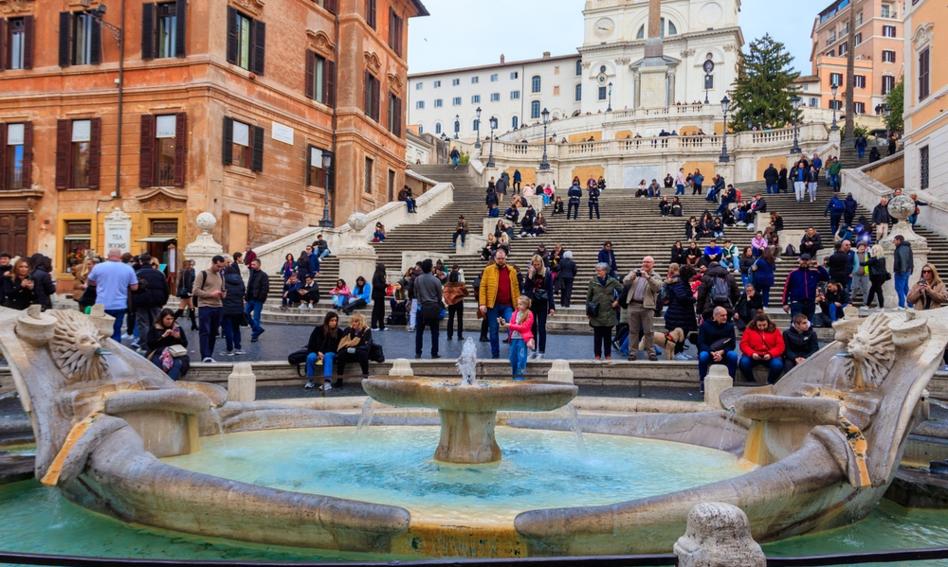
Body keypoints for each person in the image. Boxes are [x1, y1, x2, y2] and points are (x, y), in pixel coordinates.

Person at [87, 248, 139, 342]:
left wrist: (98, 283)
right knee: (116, 331)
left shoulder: (98, 267)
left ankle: (102, 351)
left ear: (108, 255)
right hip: (119, 304)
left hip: (102, 304)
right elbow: (134, 287)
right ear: (120, 256)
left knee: (101, 331)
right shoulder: (128, 268)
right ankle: (115, 352)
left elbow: (90, 281)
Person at [479, 250, 520, 359]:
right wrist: (482, 303)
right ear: (495, 258)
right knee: (493, 330)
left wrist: (519, 305)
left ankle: (513, 353)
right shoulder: (488, 270)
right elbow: (482, 287)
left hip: (508, 305)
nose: (501, 260)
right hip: (493, 306)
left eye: (502, 258)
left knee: (512, 327)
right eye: (499, 259)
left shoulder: (512, 271)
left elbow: (516, 288)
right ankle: (495, 355)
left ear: (505, 258)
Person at [623, 256, 663, 361]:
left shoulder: (656, 275)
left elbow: (657, 288)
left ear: (652, 264)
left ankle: (651, 353)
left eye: (648, 262)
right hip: (633, 305)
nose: (645, 264)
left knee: (649, 331)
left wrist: (648, 277)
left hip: (647, 307)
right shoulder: (635, 273)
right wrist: (631, 276)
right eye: (644, 261)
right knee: (633, 331)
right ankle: (632, 353)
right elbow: (625, 282)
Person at [131, 254, 171, 352]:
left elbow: (132, 289)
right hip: (157, 301)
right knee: (156, 323)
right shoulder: (159, 274)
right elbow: (166, 289)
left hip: (141, 302)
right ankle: (156, 344)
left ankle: (145, 345)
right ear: (150, 261)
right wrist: (163, 301)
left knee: (143, 324)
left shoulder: (137, 273)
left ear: (140, 262)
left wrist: (133, 304)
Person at [191, 255, 227, 363]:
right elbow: (195, 291)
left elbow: (223, 290)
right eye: (218, 266)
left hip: (218, 306)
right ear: (213, 262)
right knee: (204, 331)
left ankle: (209, 355)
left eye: (222, 267)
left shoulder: (221, 275)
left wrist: (223, 294)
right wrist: (211, 294)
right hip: (205, 306)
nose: (220, 269)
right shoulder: (203, 274)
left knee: (213, 332)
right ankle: (205, 356)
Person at [586, 262, 623, 362]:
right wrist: (588, 312)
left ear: (605, 271)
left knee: (607, 336)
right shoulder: (593, 281)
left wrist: (617, 301)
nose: (597, 272)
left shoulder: (612, 281)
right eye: (596, 270)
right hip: (596, 312)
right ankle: (597, 355)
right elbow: (588, 297)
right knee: (597, 336)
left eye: (599, 270)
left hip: (609, 312)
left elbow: (623, 291)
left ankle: (608, 355)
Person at [523, 254, 555, 359]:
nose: (536, 266)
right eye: (534, 264)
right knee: (532, 327)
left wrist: (552, 307)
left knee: (542, 327)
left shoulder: (547, 273)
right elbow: (526, 288)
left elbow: (550, 290)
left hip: (542, 302)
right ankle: (533, 350)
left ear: (541, 263)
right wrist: (530, 276)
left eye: (538, 264)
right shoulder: (530, 272)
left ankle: (541, 351)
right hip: (532, 303)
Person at [697, 306, 738, 389]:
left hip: (724, 352)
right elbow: (701, 343)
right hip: (709, 352)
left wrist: (722, 352)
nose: (725, 317)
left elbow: (732, 344)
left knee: (733, 355)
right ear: (715, 316)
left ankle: (731, 380)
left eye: (726, 315)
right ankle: (703, 381)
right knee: (703, 356)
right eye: (722, 315)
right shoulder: (705, 326)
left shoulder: (729, 326)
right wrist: (712, 352)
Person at [739, 313, 786, 385]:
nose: (762, 327)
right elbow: (743, 344)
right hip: (753, 355)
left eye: (764, 325)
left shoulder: (775, 330)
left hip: (770, 355)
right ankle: (751, 381)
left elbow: (780, 346)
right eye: (759, 325)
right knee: (744, 363)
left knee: (777, 365)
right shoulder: (749, 330)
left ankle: (769, 382)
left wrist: (771, 354)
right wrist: (752, 353)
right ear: (755, 324)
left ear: (768, 323)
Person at [146, 308, 190, 380]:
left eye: (172, 319)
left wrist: (178, 337)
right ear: (162, 319)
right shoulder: (155, 328)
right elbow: (150, 344)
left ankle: (169, 384)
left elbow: (185, 344)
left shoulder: (177, 328)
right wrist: (162, 336)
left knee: (177, 364)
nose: (170, 321)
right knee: (157, 363)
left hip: (175, 354)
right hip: (158, 353)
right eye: (167, 319)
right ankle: (163, 384)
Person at [781, 254, 829, 320]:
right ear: (799, 261)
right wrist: (785, 303)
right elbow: (786, 289)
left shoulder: (814, 273)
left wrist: (819, 267)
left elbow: (826, 278)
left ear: (810, 261)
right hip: (797, 302)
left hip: (810, 302)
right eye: (803, 260)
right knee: (796, 322)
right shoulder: (793, 273)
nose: (805, 262)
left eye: (807, 260)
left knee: (808, 323)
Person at [499, 296, 535, 381]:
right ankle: (514, 376)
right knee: (512, 358)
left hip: (522, 339)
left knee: (521, 358)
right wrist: (504, 323)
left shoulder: (529, 314)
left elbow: (524, 328)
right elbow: (511, 325)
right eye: (518, 304)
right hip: (514, 338)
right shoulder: (515, 313)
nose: (518, 306)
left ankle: (519, 377)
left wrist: (509, 325)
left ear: (526, 305)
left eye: (520, 304)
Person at [414, 259, 444, 359]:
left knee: (419, 332)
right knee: (435, 332)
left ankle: (418, 352)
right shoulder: (436, 280)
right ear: (431, 268)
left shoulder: (417, 279)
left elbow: (416, 292)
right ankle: (434, 353)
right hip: (433, 307)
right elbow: (440, 296)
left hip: (421, 307)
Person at [304, 312, 340, 391]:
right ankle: (310, 380)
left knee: (328, 355)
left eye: (335, 320)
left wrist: (323, 354)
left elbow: (338, 348)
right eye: (332, 320)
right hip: (317, 352)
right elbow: (311, 344)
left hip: (331, 353)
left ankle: (327, 383)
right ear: (327, 321)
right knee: (310, 357)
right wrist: (318, 353)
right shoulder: (318, 329)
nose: (334, 322)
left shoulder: (339, 332)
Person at [336, 313, 373, 380]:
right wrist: (349, 349)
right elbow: (342, 344)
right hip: (349, 353)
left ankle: (365, 378)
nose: (353, 323)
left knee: (363, 354)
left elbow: (366, 346)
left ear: (361, 322)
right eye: (352, 321)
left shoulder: (366, 330)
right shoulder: (348, 329)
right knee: (341, 354)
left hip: (360, 353)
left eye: (356, 321)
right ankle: (339, 380)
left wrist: (354, 349)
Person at [221, 267, 246, 356]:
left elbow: (222, 294)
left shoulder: (223, 280)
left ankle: (229, 349)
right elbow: (243, 292)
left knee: (228, 329)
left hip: (226, 309)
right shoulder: (240, 281)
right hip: (238, 309)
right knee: (236, 329)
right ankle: (238, 348)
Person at [244, 259, 269, 342]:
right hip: (249, 298)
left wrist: (261, 298)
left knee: (256, 318)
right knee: (244, 314)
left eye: (254, 264)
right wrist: (246, 296)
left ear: (259, 265)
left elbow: (265, 288)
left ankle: (255, 335)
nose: (252, 266)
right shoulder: (252, 273)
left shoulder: (264, 275)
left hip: (258, 300)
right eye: (251, 264)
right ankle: (258, 329)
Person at [444, 265, 466, 341]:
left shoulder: (447, 285)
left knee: (450, 319)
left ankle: (449, 335)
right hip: (459, 302)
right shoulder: (460, 285)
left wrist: (450, 299)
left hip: (451, 303)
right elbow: (466, 293)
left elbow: (445, 295)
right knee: (460, 319)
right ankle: (460, 335)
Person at [175, 259, 198, 331]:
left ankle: (194, 325)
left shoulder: (188, 271)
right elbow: (187, 282)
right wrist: (189, 291)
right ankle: (171, 320)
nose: (192, 265)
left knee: (191, 308)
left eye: (192, 264)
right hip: (187, 292)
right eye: (190, 264)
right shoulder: (187, 271)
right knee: (182, 309)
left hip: (186, 292)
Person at [893, 235, 913, 308]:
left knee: (899, 287)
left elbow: (903, 260)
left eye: (895, 240)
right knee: (905, 288)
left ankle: (901, 305)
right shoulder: (905, 247)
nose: (893, 242)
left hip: (902, 271)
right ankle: (910, 305)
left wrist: (902, 271)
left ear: (899, 240)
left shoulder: (902, 248)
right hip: (905, 270)